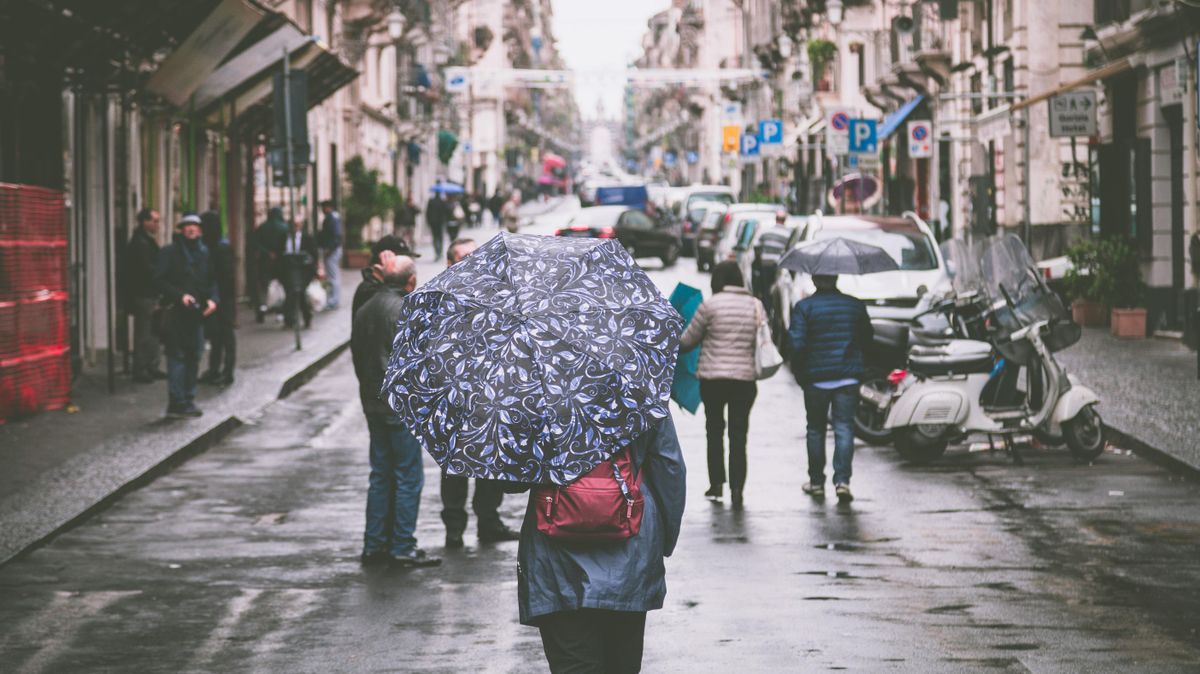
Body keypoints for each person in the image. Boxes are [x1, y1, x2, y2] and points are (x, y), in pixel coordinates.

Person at [510, 416, 686, 673]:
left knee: (573, 664)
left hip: (557, 562)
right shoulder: (643, 390)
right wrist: (662, 542)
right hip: (630, 556)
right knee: (621, 664)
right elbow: (670, 469)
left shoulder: (536, 395)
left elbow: (509, 479)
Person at [351, 254, 441, 568]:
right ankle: (402, 545)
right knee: (408, 477)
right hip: (399, 406)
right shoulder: (405, 310)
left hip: (372, 403)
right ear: (410, 281)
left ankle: (374, 545)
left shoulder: (365, 309)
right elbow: (418, 362)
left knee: (380, 475)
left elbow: (358, 358)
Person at [437, 237, 520, 548]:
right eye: (465, 257)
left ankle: (489, 522)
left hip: (491, 396)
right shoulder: (441, 299)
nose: (474, 262)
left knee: (491, 463)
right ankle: (454, 528)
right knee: (454, 468)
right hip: (455, 398)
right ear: (451, 263)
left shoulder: (496, 294)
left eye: (476, 256)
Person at [678, 261, 764, 509]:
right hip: (744, 381)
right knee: (739, 435)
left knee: (714, 432)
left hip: (713, 380)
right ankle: (737, 489)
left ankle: (716, 484)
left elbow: (687, 342)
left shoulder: (710, 306)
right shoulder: (755, 305)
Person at [788, 274, 873, 504]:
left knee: (815, 429)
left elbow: (796, 344)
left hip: (816, 379)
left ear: (815, 279)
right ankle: (842, 482)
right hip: (847, 377)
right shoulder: (854, 305)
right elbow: (867, 339)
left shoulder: (804, 308)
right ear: (836, 278)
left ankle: (816, 483)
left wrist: (800, 372)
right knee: (844, 428)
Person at [155, 213, 218, 418]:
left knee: (194, 355)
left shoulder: (204, 253)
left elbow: (212, 281)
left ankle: (188, 399)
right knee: (177, 356)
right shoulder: (169, 253)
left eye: (195, 226)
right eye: (187, 226)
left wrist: (213, 300)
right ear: (181, 230)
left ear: (200, 231)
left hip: (197, 314)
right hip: (176, 313)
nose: (191, 229)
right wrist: (179, 296)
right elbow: (159, 280)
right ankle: (177, 401)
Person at [123, 208, 165, 383]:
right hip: (144, 293)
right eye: (154, 221)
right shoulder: (141, 243)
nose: (157, 225)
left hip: (149, 293)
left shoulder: (145, 241)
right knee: (145, 332)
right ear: (144, 222)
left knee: (152, 331)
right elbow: (146, 270)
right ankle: (141, 369)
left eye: (157, 221)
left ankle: (151, 366)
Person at [198, 211, 236, 387]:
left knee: (225, 335)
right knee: (216, 335)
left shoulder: (220, 247)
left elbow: (226, 277)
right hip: (216, 297)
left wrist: (219, 298)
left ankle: (227, 371)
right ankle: (215, 370)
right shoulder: (210, 246)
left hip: (223, 299)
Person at [352, 234, 421, 321]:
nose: (410, 265)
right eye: (402, 260)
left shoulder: (385, 284)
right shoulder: (369, 289)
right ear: (383, 260)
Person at [276, 217, 323, 329]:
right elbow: (279, 253)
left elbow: (314, 254)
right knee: (292, 293)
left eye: (297, 225)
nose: (295, 227)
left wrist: (316, 268)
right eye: (293, 225)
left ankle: (298, 318)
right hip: (288, 271)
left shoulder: (307, 238)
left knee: (298, 292)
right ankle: (294, 319)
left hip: (303, 271)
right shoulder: (284, 238)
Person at [252, 207, 288, 322]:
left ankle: (262, 308)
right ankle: (280, 311)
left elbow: (255, 243)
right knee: (280, 287)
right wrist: (277, 254)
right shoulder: (284, 227)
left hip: (265, 261)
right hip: (280, 262)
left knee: (263, 286)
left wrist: (267, 253)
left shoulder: (262, 228)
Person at [317, 200, 343, 311]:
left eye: (323, 207)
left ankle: (333, 300)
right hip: (333, 250)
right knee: (333, 276)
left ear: (328, 207)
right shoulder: (333, 217)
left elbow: (337, 235)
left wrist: (330, 249)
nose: (322, 210)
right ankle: (333, 299)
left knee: (333, 277)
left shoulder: (332, 218)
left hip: (332, 251)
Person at [426, 190, 448, 259]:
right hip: (440, 222)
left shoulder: (431, 201)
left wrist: (428, 221)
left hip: (433, 222)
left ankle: (437, 252)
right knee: (440, 237)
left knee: (435, 237)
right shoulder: (442, 201)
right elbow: (446, 212)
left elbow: (427, 212)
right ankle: (440, 252)